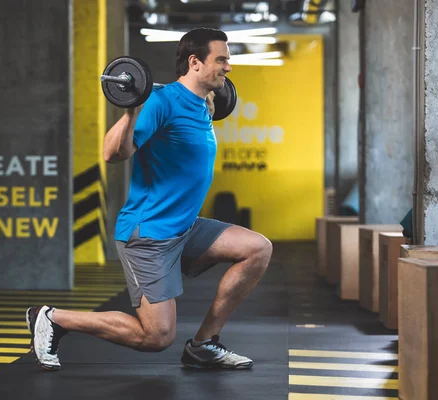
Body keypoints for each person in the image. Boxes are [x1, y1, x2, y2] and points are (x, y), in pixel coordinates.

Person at [26, 27, 273, 371]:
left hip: (185, 228)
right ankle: (54, 318)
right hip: (149, 234)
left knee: (257, 248)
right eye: (222, 59)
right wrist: (131, 110)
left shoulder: (205, 103)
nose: (228, 67)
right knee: (156, 337)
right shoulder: (161, 102)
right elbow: (112, 153)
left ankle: (203, 344)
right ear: (195, 63)